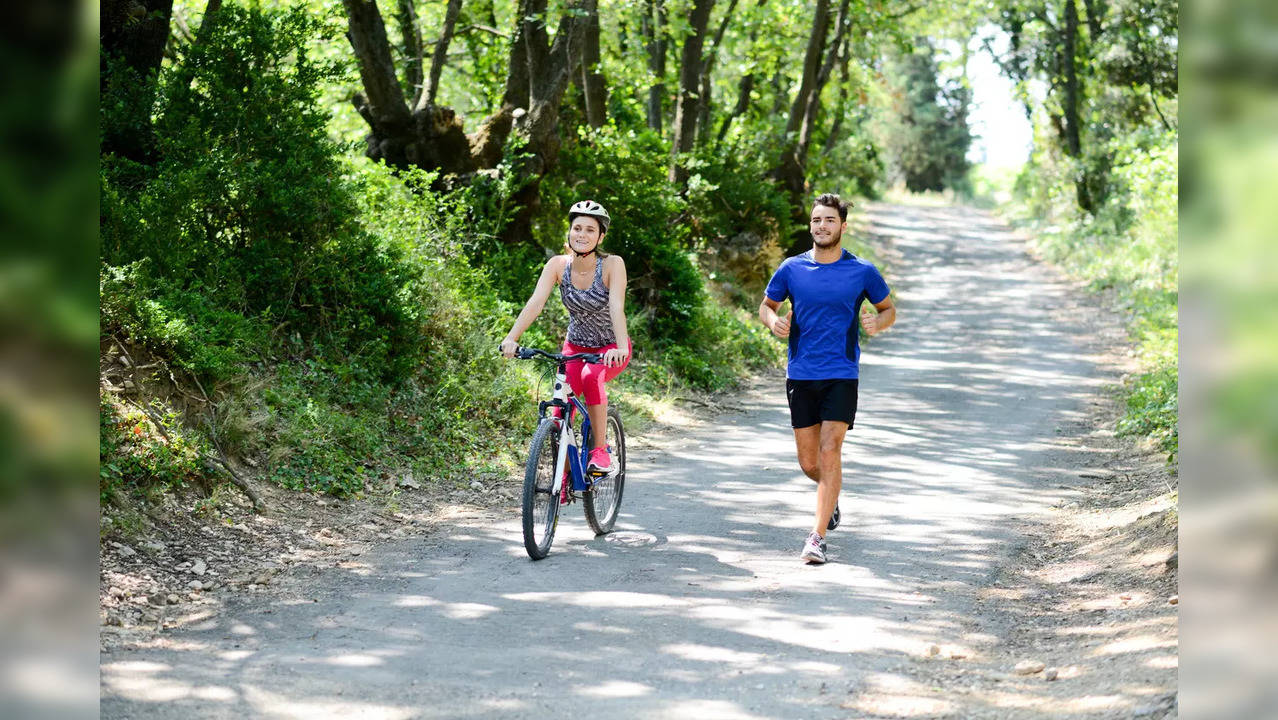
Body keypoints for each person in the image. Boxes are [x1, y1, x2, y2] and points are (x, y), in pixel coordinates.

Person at [758, 193, 896, 564]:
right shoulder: (791, 268)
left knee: (829, 450)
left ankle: (816, 537)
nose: (822, 226)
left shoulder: (861, 271)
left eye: (829, 221)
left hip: (841, 372)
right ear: (811, 226)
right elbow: (766, 307)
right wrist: (776, 323)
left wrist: (876, 323)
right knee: (809, 462)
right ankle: (829, 497)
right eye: (817, 220)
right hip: (801, 372)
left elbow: (888, 310)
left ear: (842, 227)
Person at [500, 200, 632, 474]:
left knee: (590, 377)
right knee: (560, 409)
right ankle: (564, 476)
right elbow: (536, 303)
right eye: (577, 228)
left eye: (590, 230)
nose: (582, 234)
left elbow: (616, 307)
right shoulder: (558, 265)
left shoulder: (612, 265)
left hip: (611, 347)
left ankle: (600, 451)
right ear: (569, 232)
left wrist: (619, 346)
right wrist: (512, 338)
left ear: (601, 236)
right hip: (575, 346)